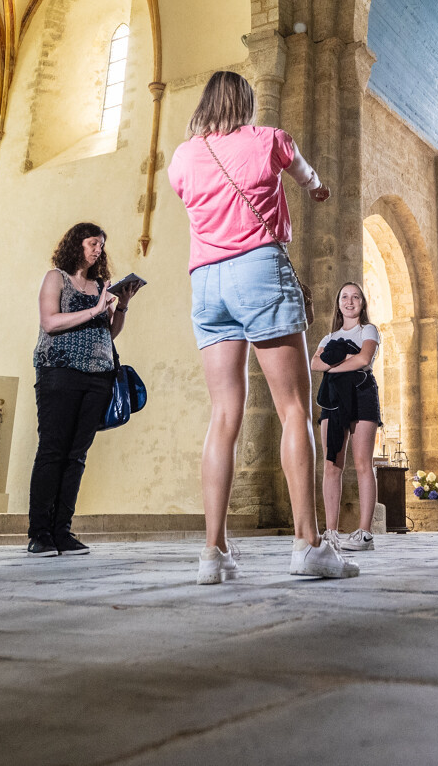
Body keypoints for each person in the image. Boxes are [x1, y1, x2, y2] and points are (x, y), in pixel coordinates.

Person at [167, 70, 355, 584]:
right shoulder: (268, 139)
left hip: (206, 281)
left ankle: (213, 552)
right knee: (293, 407)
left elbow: (188, 197)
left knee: (224, 413)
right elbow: (305, 172)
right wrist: (317, 188)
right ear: (246, 103)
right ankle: (308, 545)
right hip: (257, 269)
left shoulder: (183, 156)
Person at [26, 222, 135, 556]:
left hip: (98, 376)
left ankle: (62, 532)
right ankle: (39, 533)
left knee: (76, 456)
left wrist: (122, 306)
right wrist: (94, 310)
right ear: (76, 244)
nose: (98, 249)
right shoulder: (55, 277)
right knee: (53, 451)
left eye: (101, 244)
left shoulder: (102, 285)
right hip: (59, 371)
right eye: (92, 243)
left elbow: (107, 334)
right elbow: (50, 321)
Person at [311, 282, 381, 552]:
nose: (350, 301)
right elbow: (314, 363)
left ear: (362, 303)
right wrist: (344, 359)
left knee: (363, 463)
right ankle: (330, 532)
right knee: (332, 465)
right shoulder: (329, 337)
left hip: (362, 393)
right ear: (338, 303)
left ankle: (364, 533)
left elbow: (364, 359)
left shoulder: (368, 330)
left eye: (355, 297)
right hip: (333, 399)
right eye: (344, 297)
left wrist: (333, 365)